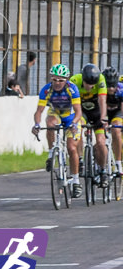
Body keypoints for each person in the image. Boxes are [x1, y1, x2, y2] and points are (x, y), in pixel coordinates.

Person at [32, 63, 83, 198]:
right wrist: (36, 124)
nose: (57, 83)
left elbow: (78, 112)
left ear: (66, 80)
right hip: (55, 114)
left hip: (71, 117)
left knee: (72, 148)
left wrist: (74, 123)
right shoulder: (46, 90)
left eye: (61, 80)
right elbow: (39, 111)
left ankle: (76, 181)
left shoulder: (72, 89)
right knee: (50, 123)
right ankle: (51, 154)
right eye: (54, 79)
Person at [71, 63, 109, 186]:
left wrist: (103, 118)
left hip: (97, 112)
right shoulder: (75, 80)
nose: (90, 87)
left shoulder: (101, 79)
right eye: (88, 84)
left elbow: (102, 100)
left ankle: (103, 170)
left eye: (93, 85)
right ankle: (80, 160)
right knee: (78, 128)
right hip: (82, 112)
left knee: (100, 142)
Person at [103, 66, 123, 178]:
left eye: (113, 86)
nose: (111, 89)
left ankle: (118, 163)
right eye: (108, 86)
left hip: (117, 113)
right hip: (104, 113)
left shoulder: (121, 90)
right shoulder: (100, 89)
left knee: (116, 130)